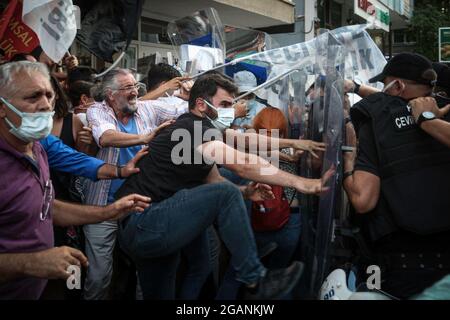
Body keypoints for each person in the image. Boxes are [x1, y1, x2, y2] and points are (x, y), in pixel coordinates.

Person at [115, 73, 333, 299]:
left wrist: (246, 192)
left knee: (196, 269)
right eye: (225, 105)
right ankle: (255, 280)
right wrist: (302, 183)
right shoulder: (193, 129)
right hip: (145, 221)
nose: (231, 111)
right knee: (225, 197)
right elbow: (243, 165)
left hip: (143, 224)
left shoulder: (199, 131)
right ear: (201, 104)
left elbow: (223, 170)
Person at [0, 61, 151, 299]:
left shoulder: (38, 145)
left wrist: (110, 206)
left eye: (49, 95)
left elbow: (46, 201)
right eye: (33, 97)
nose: (45, 105)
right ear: (2, 106)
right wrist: (28, 262)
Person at [343, 53, 450, 299]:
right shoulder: (444, 108)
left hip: (401, 264)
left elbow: (363, 201)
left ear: (398, 85)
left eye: (385, 84)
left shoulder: (376, 119)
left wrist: (348, 162)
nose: (382, 91)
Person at [83, 68, 183, 300]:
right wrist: (145, 137)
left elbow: (183, 108)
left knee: (145, 274)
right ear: (111, 95)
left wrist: (219, 106)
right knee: (98, 277)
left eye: (135, 86)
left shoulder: (147, 108)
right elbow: (106, 136)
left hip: (139, 205)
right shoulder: (97, 110)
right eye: (128, 88)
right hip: (102, 205)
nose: (135, 92)